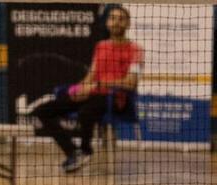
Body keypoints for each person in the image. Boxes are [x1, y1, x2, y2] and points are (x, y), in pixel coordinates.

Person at [32, 5, 141, 174]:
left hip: (116, 99)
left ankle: (85, 150)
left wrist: (99, 85)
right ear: (107, 23)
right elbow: (91, 74)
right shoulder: (101, 46)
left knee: (86, 112)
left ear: (128, 24)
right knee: (43, 111)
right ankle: (72, 151)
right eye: (112, 18)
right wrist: (78, 89)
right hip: (93, 93)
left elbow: (130, 83)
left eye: (121, 19)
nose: (116, 22)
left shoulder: (135, 50)